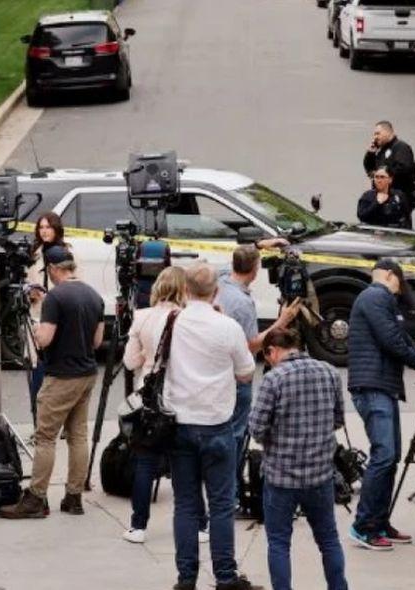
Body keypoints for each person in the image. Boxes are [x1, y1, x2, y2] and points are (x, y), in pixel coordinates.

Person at [166, 263, 261, 590]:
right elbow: (246, 371)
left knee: (186, 504)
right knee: (221, 503)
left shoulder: (172, 323)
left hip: (180, 422)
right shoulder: (227, 326)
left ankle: (186, 577)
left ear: (185, 290)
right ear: (216, 291)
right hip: (217, 423)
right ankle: (225, 575)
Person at [1, 246, 104, 519]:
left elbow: (44, 340)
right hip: (87, 373)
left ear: (54, 269)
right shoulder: (94, 295)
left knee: (45, 437)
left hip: (61, 376)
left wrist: (35, 329)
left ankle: (36, 497)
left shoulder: (55, 298)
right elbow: (96, 341)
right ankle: (74, 496)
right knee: (78, 435)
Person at [347, 258, 415, 550]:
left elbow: (401, 338)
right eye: (400, 283)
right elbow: (391, 340)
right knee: (384, 456)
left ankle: (379, 521)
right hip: (372, 386)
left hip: (381, 386)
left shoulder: (378, 299)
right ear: (389, 275)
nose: (400, 292)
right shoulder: (376, 296)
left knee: (391, 457)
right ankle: (364, 526)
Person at [249, 328, 347, 590]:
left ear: (272, 351)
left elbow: (256, 428)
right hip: (320, 474)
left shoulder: (274, 379)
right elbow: (338, 419)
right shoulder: (329, 372)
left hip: (281, 476)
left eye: (266, 357)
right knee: (328, 539)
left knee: (279, 543)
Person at [120, 267, 208, 544]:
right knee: (187, 465)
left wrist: (148, 356)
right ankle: (200, 523)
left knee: (145, 462)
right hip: (182, 396)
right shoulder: (188, 319)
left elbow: (130, 361)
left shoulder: (142, 318)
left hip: (150, 398)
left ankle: (138, 526)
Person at [216, 245, 301, 494]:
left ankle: (222, 483)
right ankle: (230, 489)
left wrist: (258, 246)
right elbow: (250, 345)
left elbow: (232, 263)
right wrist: (282, 322)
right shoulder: (242, 303)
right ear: (254, 270)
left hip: (220, 372)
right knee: (236, 434)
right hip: (237, 376)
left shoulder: (221, 281)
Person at [26, 212, 67, 425]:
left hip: (60, 317)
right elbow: (27, 280)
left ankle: (61, 422)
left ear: (56, 229)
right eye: (41, 227)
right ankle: (38, 422)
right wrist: (30, 294)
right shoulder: (35, 253)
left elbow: (75, 282)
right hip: (38, 316)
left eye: (48, 227)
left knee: (59, 373)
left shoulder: (66, 252)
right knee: (38, 371)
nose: (44, 231)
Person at [362, 120, 415, 227]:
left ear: (388, 132)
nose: (375, 137)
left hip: (398, 199)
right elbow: (370, 169)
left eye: (377, 133)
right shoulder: (381, 151)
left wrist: (386, 173)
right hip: (382, 197)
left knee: (397, 227)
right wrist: (370, 154)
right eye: (374, 134)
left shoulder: (401, 148)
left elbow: (404, 168)